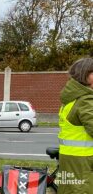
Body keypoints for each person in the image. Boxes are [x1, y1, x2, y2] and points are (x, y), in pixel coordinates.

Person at [57, 57, 93, 194]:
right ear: (84, 75)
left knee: (69, 189)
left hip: (69, 157)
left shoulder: (71, 98)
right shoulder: (86, 100)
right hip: (84, 161)